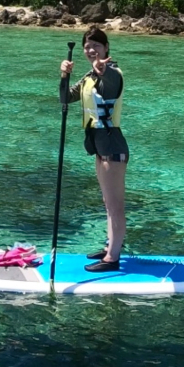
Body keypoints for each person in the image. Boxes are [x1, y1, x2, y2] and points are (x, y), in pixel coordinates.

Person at [60, 27, 129, 272]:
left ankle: (113, 258)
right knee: (106, 202)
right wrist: (64, 75)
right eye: (87, 47)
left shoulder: (112, 73)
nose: (91, 51)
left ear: (106, 47)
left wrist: (103, 70)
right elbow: (65, 98)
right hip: (99, 146)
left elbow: (110, 83)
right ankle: (110, 245)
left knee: (115, 204)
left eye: (96, 46)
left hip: (112, 144)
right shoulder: (89, 76)